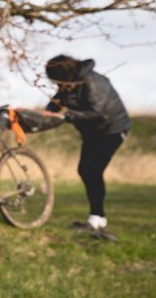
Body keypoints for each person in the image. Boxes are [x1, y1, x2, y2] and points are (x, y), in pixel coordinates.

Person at [45, 55, 130, 240]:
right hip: (93, 133)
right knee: (86, 170)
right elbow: (55, 104)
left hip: (112, 130)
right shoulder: (69, 85)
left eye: (57, 81)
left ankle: (97, 219)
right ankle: (97, 218)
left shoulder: (93, 82)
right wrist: (46, 113)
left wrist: (66, 115)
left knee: (92, 170)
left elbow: (96, 112)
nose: (57, 86)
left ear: (65, 75)